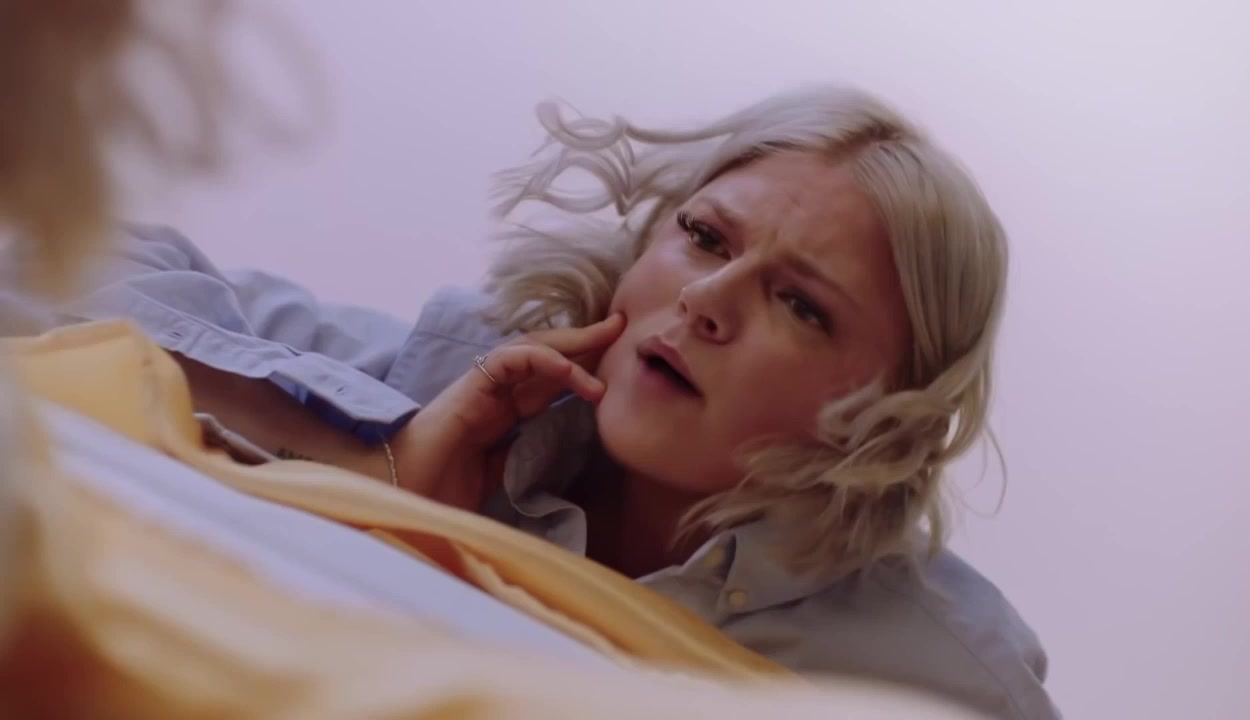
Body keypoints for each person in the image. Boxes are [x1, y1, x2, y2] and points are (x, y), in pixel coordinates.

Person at [11, 86, 1059, 719]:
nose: (705, 301)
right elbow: (41, 269)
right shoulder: (455, 376)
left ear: (891, 409)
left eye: (799, 304)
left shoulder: (950, 677)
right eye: (703, 237)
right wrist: (374, 473)